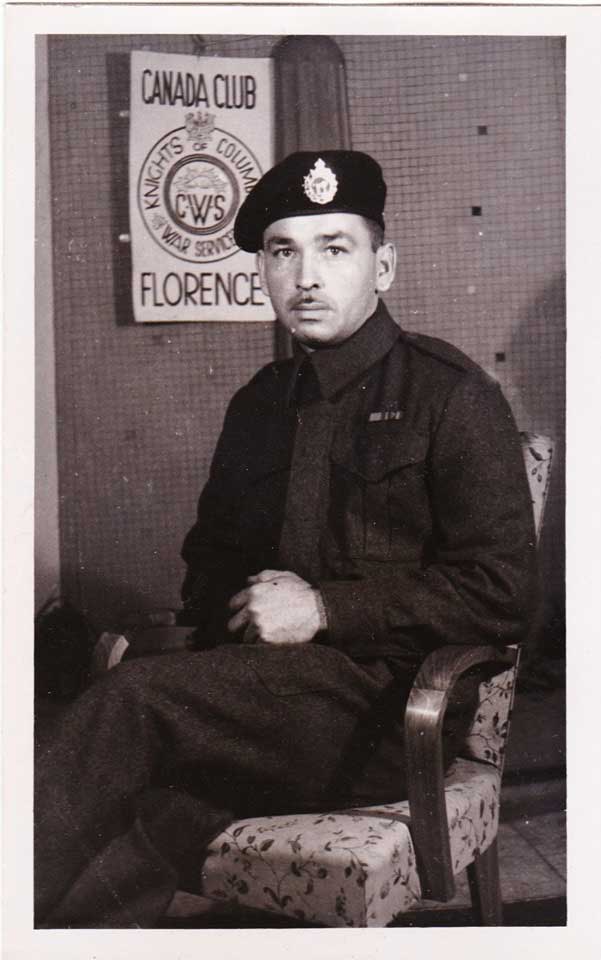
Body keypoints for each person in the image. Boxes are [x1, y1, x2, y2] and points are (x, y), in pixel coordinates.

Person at [35, 150, 538, 928]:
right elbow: (210, 562)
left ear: (384, 265)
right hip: (260, 700)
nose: (305, 276)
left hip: (387, 714)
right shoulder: (261, 404)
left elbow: (501, 595)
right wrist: (211, 637)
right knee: (147, 801)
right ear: (262, 272)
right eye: (282, 251)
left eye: (334, 248)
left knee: (127, 710)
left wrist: (325, 611)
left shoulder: (451, 397)